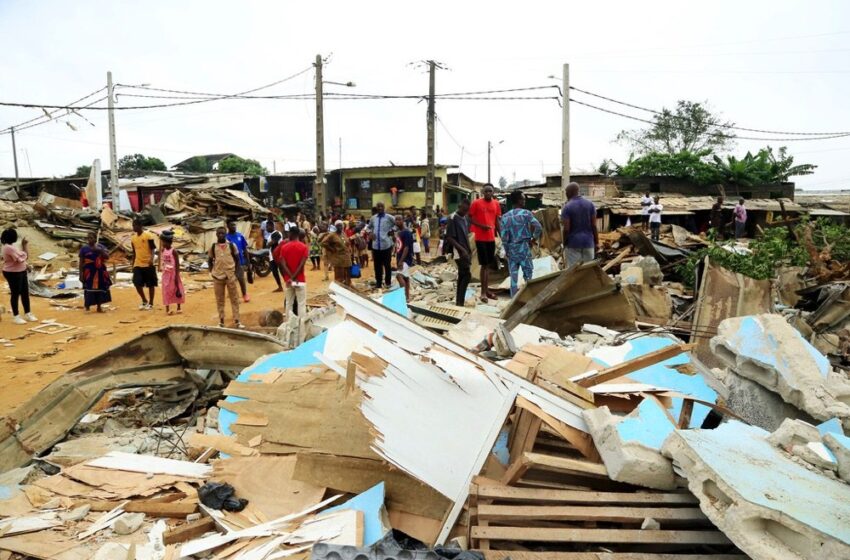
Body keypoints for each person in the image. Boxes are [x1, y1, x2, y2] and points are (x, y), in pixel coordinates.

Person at [501, 191, 542, 296]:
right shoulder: (526, 213)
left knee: (513, 277)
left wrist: (507, 250)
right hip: (524, 248)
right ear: (519, 200)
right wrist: (533, 239)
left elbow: (504, 237)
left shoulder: (505, 217)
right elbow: (538, 227)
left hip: (511, 249)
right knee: (528, 275)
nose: (525, 201)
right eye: (523, 199)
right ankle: (528, 298)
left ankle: (513, 301)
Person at [468, 183, 501, 302]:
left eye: (490, 191)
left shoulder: (496, 204)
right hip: (480, 238)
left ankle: (486, 290)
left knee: (488, 266)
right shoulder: (476, 203)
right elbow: (470, 218)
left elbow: (497, 221)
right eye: (486, 191)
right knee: (483, 266)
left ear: (493, 192)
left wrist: (501, 235)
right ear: (482, 192)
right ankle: (483, 292)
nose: (488, 193)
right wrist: (481, 226)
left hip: (491, 238)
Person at [208, 227, 243, 328]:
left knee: (234, 298)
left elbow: (237, 260)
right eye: (219, 234)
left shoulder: (232, 246)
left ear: (225, 234)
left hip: (230, 276)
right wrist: (212, 272)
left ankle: (237, 320)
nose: (221, 235)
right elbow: (210, 260)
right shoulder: (213, 247)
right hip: (217, 277)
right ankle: (221, 321)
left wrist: (235, 272)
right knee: (220, 299)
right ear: (216, 234)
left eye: (223, 233)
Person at [2, 228, 36, 324]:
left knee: (25, 293)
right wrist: (24, 247)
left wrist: (25, 246)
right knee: (15, 293)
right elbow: (21, 258)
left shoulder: (12, 247)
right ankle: (16, 316)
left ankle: (28, 313)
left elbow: (24, 257)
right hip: (12, 273)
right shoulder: (8, 248)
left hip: (20, 271)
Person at [561, 182, 598, 269]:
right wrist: (596, 242)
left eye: (566, 192)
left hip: (573, 244)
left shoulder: (567, 207)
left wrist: (565, 242)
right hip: (589, 243)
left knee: (574, 271)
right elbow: (594, 226)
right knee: (588, 271)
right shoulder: (590, 204)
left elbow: (566, 229)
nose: (566, 194)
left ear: (570, 192)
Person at [276, 227, 309, 321]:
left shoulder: (284, 247)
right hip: (300, 280)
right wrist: (294, 277)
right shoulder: (304, 247)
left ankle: (288, 324)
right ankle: (302, 325)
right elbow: (301, 265)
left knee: (289, 303)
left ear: (291, 233)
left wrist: (290, 278)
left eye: (289, 233)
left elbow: (283, 264)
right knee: (301, 304)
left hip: (288, 281)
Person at [444, 198, 472, 307]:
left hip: (465, 250)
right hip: (458, 251)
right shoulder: (452, 218)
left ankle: (459, 302)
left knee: (462, 274)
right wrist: (462, 250)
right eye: (463, 210)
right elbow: (450, 238)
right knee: (467, 275)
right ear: (459, 206)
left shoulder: (464, 218)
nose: (465, 212)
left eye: (467, 211)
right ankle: (460, 301)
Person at [79, 231, 111, 313]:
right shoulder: (84, 249)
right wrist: (80, 274)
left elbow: (107, 257)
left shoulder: (101, 247)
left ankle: (99, 307)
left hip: (100, 271)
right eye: (88, 238)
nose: (89, 240)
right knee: (88, 289)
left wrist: (100, 251)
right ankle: (87, 307)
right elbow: (81, 262)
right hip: (89, 272)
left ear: (95, 238)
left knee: (100, 289)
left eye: (91, 238)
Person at [130, 219, 157, 310]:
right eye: (133, 225)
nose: (133, 227)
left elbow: (153, 249)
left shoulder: (148, 236)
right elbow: (134, 252)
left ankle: (151, 303)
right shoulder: (133, 238)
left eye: (135, 225)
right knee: (137, 283)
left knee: (151, 284)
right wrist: (133, 263)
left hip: (148, 264)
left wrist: (151, 259)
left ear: (140, 226)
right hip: (138, 264)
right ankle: (144, 300)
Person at [368, 202, 395, 289]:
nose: (380, 208)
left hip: (386, 245)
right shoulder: (373, 218)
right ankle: (378, 283)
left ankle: (388, 282)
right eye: (378, 206)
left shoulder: (389, 217)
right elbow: (368, 227)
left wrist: (393, 231)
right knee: (377, 266)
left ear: (384, 207)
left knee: (387, 265)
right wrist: (370, 233)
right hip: (376, 246)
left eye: (381, 206)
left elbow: (397, 224)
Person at [159, 231, 185, 315]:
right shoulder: (163, 250)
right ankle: (167, 308)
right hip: (166, 273)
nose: (162, 243)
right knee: (166, 290)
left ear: (168, 242)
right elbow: (163, 261)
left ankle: (178, 307)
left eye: (163, 242)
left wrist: (177, 276)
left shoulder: (174, 251)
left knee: (177, 288)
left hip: (173, 274)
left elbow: (177, 264)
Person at [225, 220, 251, 303]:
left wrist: (248, 261)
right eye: (232, 225)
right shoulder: (226, 238)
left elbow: (245, 249)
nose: (234, 226)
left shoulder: (240, 236)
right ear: (228, 227)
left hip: (240, 262)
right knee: (232, 281)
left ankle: (245, 294)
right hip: (230, 263)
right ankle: (235, 297)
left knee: (241, 279)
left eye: (234, 225)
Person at [322, 221, 352, 286]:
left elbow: (347, 242)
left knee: (347, 275)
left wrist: (348, 246)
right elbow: (323, 243)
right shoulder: (332, 235)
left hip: (346, 258)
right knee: (339, 277)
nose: (340, 227)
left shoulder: (343, 234)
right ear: (335, 227)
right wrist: (332, 249)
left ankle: (347, 288)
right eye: (338, 226)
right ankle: (339, 289)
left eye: (341, 225)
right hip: (338, 258)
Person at [394, 214, 414, 301]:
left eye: (399, 219)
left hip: (405, 258)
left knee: (399, 276)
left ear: (403, 221)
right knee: (406, 277)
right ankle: (407, 297)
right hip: (400, 257)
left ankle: (403, 297)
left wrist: (401, 261)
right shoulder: (399, 232)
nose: (397, 221)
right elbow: (399, 246)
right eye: (396, 220)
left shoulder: (407, 232)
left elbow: (406, 248)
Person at [267, 225, 284, 293]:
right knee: (275, 271)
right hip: (272, 255)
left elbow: (273, 242)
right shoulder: (271, 235)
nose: (267, 228)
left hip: (278, 254)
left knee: (282, 270)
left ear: (271, 226)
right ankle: (280, 286)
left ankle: (289, 284)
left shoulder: (276, 233)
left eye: (268, 226)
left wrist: (268, 244)